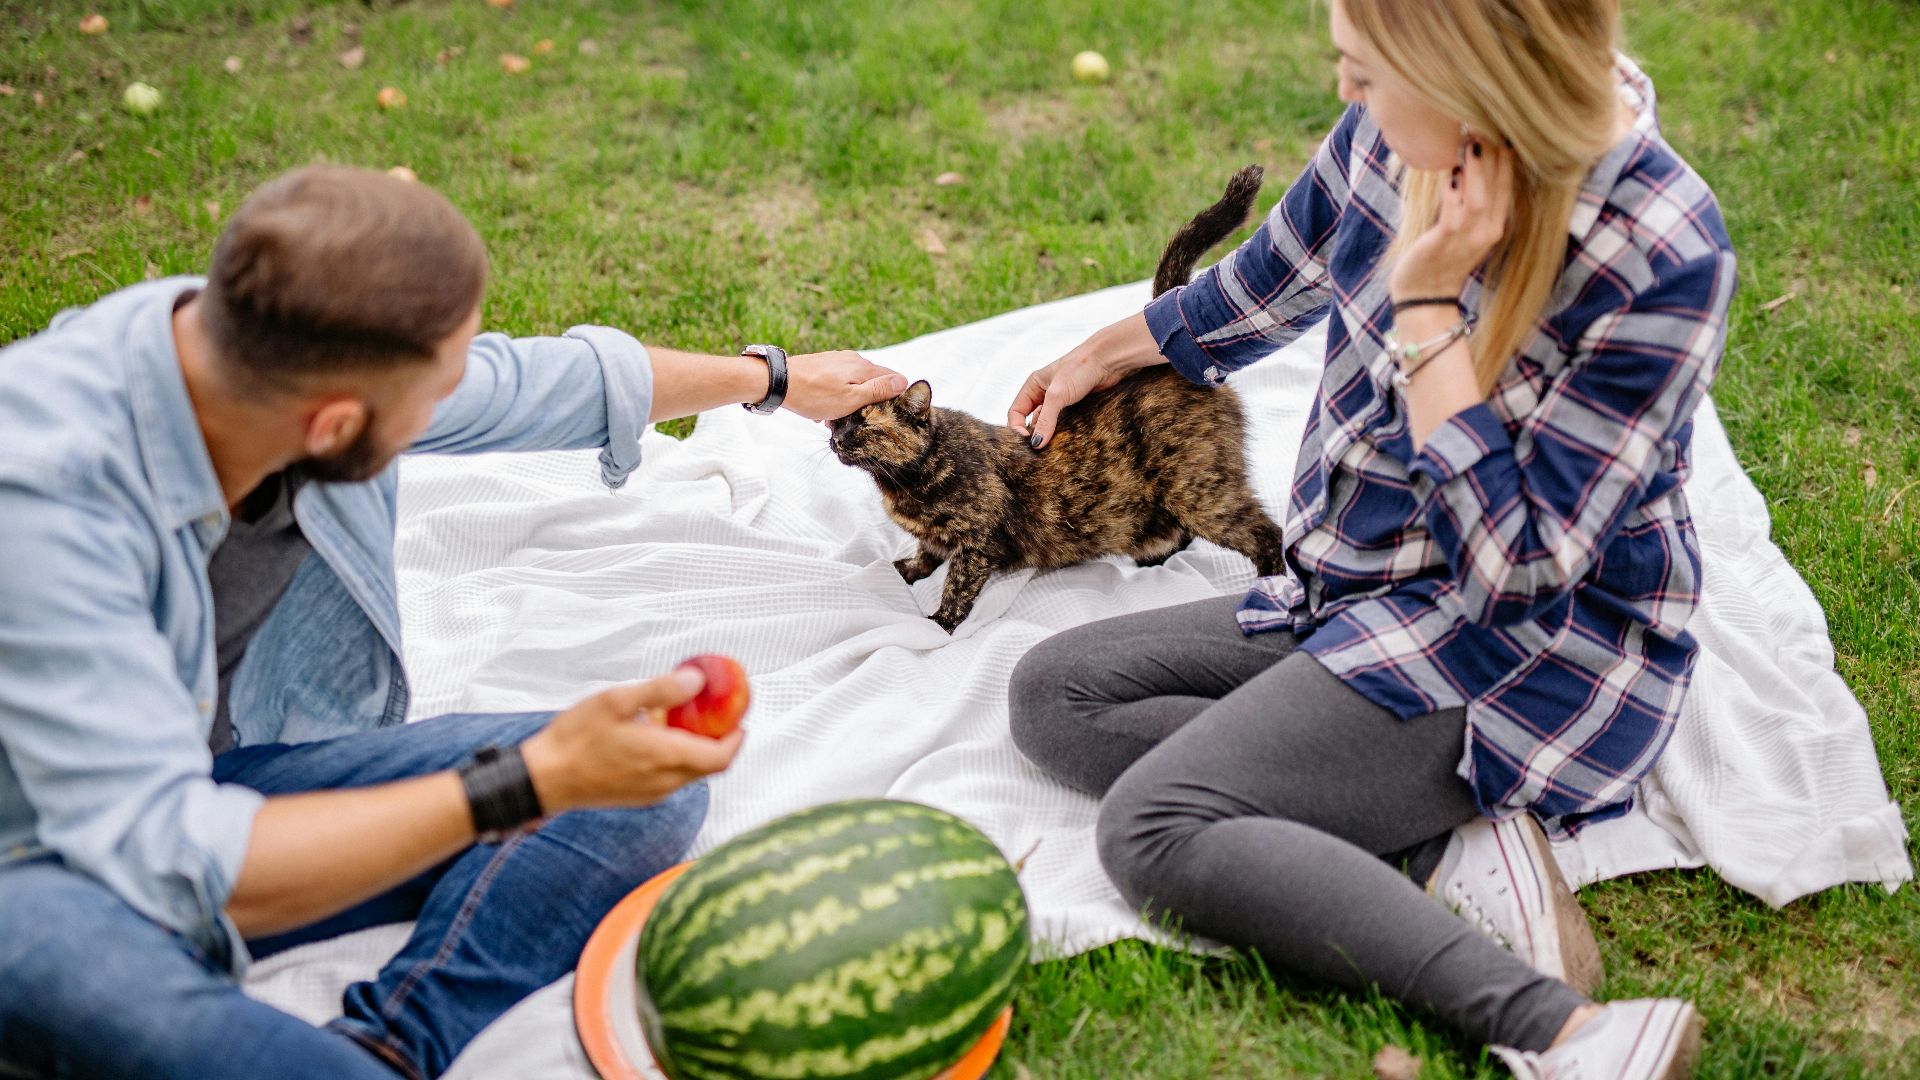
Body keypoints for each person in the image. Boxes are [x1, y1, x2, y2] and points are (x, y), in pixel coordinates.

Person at [0, 165, 907, 1080]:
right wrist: (522, 782)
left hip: (199, 784)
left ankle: (392, 1043)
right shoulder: (41, 505)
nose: (455, 400)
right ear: (334, 426)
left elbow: (526, 385)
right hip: (31, 867)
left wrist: (773, 380)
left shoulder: (242, 341)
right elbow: (173, 857)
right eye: (436, 395)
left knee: (641, 781)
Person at [1004, 1, 1734, 1076]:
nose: (1347, 100)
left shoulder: (1655, 249)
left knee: (1156, 829)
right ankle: (1447, 841)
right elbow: (1283, 270)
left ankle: (1568, 1031)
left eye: (1364, 75)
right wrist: (1114, 350)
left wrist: (1430, 310)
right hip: (1360, 585)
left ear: (1465, 78)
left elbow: (1516, 576)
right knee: (1054, 694)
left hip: (1527, 655)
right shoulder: (1402, 133)